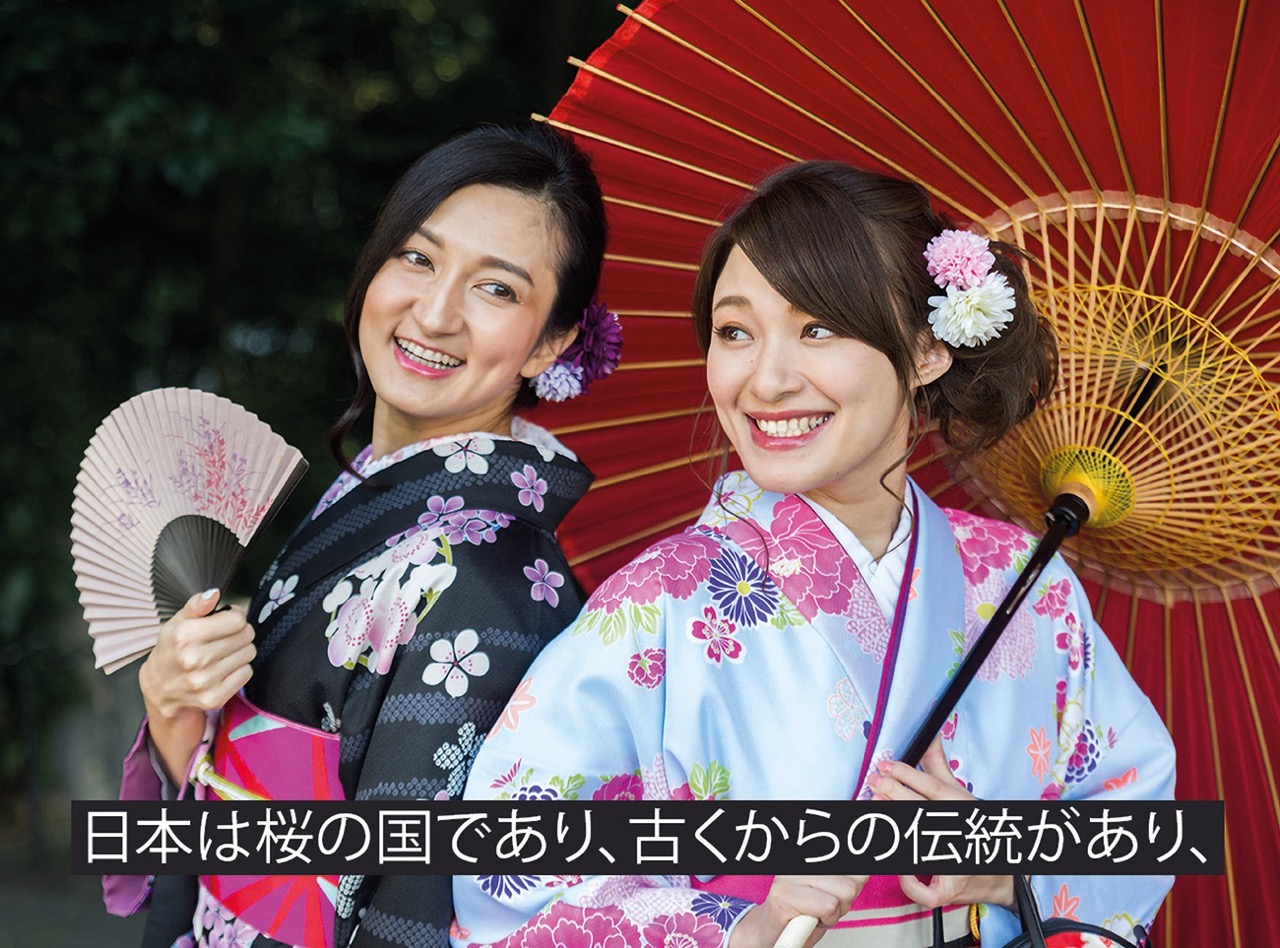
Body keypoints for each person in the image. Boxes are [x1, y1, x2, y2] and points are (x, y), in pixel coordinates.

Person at [451, 161, 1175, 948]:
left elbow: (1140, 820)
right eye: (735, 332)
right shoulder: (661, 600)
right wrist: (740, 928)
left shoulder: (1024, 585)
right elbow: (507, 866)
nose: (765, 380)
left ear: (927, 349)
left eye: (818, 328)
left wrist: (1001, 869)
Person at [103, 121, 619, 948]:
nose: (435, 313)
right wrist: (174, 713)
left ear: (552, 341)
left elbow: (408, 902)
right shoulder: (374, 490)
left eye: (496, 289)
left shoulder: (487, 580)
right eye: (417, 257)